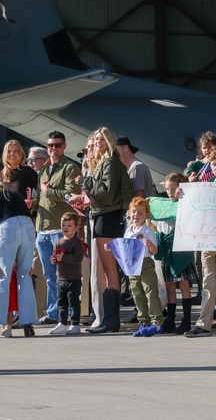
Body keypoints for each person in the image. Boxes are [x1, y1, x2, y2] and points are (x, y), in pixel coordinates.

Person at [0, 148, 38, 339]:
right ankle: (27, 323)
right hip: (28, 226)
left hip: (8, 227)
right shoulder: (9, 192)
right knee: (24, 274)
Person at [79, 126, 132, 334]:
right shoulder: (106, 161)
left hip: (108, 216)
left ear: (109, 140)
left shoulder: (109, 161)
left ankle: (111, 319)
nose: (98, 143)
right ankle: (109, 319)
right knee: (108, 269)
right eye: (96, 140)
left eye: (102, 139)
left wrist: (84, 182)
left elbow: (106, 193)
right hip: (105, 216)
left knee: (110, 270)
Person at [184, 148, 216, 338]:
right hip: (207, 241)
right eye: (214, 164)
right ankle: (203, 323)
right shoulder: (205, 187)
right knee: (207, 283)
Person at [36, 131, 82, 326]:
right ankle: (54, 313)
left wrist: (49, 191)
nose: (53, 148)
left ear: (64, 147)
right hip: (43, 227)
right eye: (50, 145)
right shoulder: (44, 169)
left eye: (57, 145)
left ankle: (69, 314)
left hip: (59, 228)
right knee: (49, 275)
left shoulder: (70, 167)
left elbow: (73, 194)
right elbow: (42, 196)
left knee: (64, 275)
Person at [153, 171, 197, 335]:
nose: (170, 193)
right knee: (170, 285)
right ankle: (170, 318)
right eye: (167, 189)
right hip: (167, 248)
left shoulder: (184, 202)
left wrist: (185, 192)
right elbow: (157, 221)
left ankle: (186, 319)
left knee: (184, 284)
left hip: (180, 248)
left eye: (173, 189)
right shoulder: (163, 204)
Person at [116, 197, 162, 336]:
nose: (136, 215)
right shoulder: (128, 231)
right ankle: (143, 322)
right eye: (134, 212)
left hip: (146, 263)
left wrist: (150, 245)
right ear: (129, 213)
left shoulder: (147, 231)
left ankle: (157, 322)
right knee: (137, 294)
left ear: (146, 215)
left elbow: (155, 251)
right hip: (132, 264)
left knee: (150, 291)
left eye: (140, 213)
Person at [48, 212, 85, 335]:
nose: (66, 228)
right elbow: (55, 256)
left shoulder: (76, 242)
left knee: (73, 301)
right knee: (61, 302)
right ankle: (62, 323)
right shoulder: (58, 242)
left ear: (75, 228)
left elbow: (78, 259)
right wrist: (53, 259)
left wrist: (64, 257)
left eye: (69, 225)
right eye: (63, 225)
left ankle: (75, 324)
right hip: (61, 278)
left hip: (73, 278)